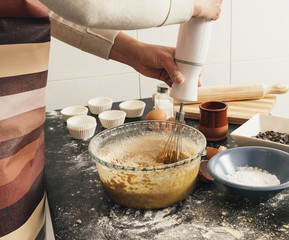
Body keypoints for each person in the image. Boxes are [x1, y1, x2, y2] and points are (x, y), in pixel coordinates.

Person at [0, 0, 222, 239]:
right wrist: (194, 5)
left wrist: (132, 51)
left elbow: (36, 4)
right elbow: (89, 6)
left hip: (17, 138)